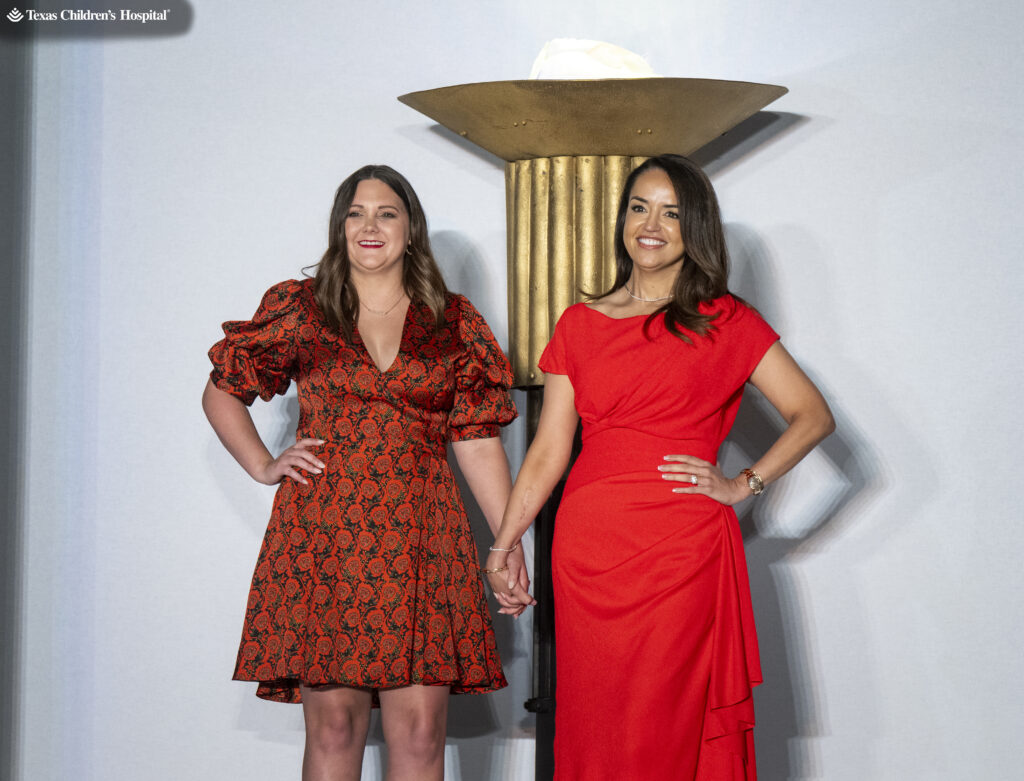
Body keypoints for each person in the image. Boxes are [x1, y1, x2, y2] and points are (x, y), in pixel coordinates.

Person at [484, 154, 835, 780]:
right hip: (588, 551)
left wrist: (742, 484)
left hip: (682, 550)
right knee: (598, 721)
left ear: (694, 226)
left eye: (672, 212)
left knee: (664, 722)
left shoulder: (728, 320)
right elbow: (548, 449)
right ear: (622, 220)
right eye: (639, 207)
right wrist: (505, 542)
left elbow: (812, 415)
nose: (651, 224)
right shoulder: (580, 323)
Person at [202, 164, 526, 781]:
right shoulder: (300, 307)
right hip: (326, 537)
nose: (370, 225)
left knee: (422, 733)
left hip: (424, 538)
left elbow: (478, 440)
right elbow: (221, 392)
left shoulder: (453, 320)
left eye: (386, 213)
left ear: (411, 228)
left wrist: (507, 542)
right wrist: (266, 464)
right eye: (356, 213)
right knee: (335, 728)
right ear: (339, 227)